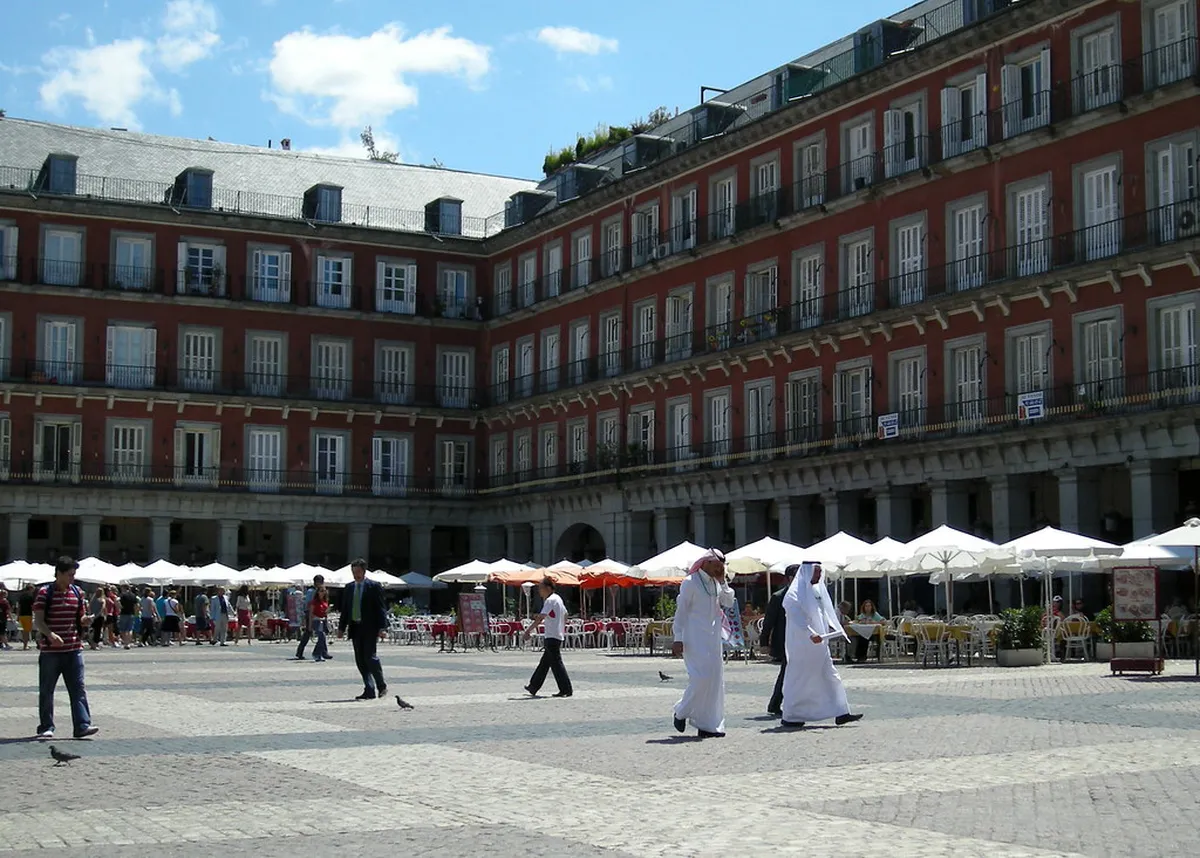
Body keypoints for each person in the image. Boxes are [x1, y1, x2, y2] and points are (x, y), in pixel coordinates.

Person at [780, 561, 863, 730]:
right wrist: (811, 633)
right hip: (802, 644)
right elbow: (796, 616)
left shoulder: (817, 591)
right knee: (799, 679)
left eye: (820, 572)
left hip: (820, 645)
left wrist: (833, 627)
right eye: (816, 572)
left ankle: (841, 712)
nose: (819, 575)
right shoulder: (793, 593)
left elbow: (824, 612)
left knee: (831, 676)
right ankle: (791, 715)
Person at [670, 549, 735, 739]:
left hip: (713, 638)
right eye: (717, 564)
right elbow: (681, 612)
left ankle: (709, 725)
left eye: (722, 565)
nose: (720, 568)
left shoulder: (716, 583)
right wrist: (678, 638)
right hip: (693, 637)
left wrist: (723, 581)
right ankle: (680, 711)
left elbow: (728, 602)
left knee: (715, 681)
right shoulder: (690, 583)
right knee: (701, 678)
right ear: (705, 563)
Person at [32, 556, 98, 740]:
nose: (73, 578)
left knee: (78, 688)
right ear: (59, 573)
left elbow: (80, 618)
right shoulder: (45, 593)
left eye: (74, 574)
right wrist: (50, 635)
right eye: (70, 574)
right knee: (47, 690)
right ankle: (46, 726)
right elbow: (38, 621)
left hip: (73, 649)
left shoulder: (77, 592)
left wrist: (86, 620)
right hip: (51, 652)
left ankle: (82, 726)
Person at [337, 559, 388, 700]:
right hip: (355, 627)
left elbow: (380, 608)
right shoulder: (349, 588)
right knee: (360, 659)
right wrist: (341, 628)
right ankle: (369, 689)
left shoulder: (374, 586)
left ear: (364, 571)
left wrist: (382, 627)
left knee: (370, 657)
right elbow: (345, 609)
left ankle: (381, 685)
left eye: (358, 572)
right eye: (353, 572)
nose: (356, 575)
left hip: (370, 627)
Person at [522, 577, 573, 698]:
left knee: (556, 664)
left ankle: (566, 689)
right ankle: (533, 686)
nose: (539, 591)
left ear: (548, 588)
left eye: (541, 588)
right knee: (545, 663)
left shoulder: (550, 600)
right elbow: (565, 614)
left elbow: (540, 617)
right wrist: (560, 626)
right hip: (556, 634)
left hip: (552, 636)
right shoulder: (558, 599)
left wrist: (528, 630)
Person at [759, 564, 796, 717]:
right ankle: (775, 704)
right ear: (789, 578)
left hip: (799, 640)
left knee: (788, 672)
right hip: (784, 640)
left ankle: (776, 703)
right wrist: (764, 643)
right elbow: (768, 622)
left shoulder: (806, 595)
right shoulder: (779, 596)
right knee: (786, 672)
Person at [294, 574, 327, 660]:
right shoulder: (311, 591)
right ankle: (300, 652)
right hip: (311, 614)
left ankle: (323, 652)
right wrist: (308, 617)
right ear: (317, 582)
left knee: (321, 633)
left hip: (319, 615)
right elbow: (308, 604)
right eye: (320, 582)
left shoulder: (320, 591)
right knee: (309, 633)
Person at [852, 599, 886, 664]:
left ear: (872, 607)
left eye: (869, 606)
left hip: (874, 634)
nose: (868, 608)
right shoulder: (862, 615)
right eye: (866, 606)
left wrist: (874, 622)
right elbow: (856, 620)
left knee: (864, 638)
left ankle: (870, 656)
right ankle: (860, 657)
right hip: (863, 632)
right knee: (860, 638)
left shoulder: (875, 614)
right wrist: (860, 621)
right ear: (864, 607)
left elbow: (883, 621)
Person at [309, 585, 331, 662]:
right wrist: (310, 625)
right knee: (321, 636)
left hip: (323, 620)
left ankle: (320, 653)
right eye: (321, 591)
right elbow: (311, 613)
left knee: (323, 638)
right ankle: (317, 653)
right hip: (316, 620)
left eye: (324, 591)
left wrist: (327, 611)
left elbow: (325, 613)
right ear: (317, 592)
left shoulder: (325, 601)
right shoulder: (314, 602)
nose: (323, 592)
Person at [117, 585, 137, 649]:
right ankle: (128, 643)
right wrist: (135, 612)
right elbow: (136, 605)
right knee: (129, 629)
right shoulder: (133, 596)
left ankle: (125, 643)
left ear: (124, 588)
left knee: (123, 629)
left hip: (124, 613)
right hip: (131, 614)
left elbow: (117, 601)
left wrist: (120, 607)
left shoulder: (123, 595)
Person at [18, 584, 36, 650]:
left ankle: (25, 644)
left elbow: (19, 607)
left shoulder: (21, 596)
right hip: (28, 615)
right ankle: (25, 646)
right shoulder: (30, 597)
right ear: (30, 589)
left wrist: (17, 615)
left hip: (21, 615)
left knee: (23, 631)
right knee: (27, 631)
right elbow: (33, 606)